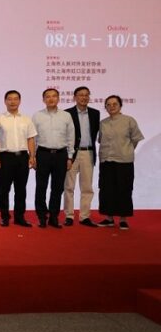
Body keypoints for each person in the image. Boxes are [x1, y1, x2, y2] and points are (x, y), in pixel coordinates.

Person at [0, 90, 37, 228]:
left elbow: (30, 138)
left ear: (20, 101)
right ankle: (4, 217)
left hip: (22, 157)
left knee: (21, 189)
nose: (13, 101)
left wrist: (32, 156)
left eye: (15, 99)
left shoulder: (26, 119)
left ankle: (19, 217)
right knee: (4, 189)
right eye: (9, 99)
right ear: (5, 101)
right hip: (5, 157)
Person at [97, 95, 144, 230]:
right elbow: (101, 140)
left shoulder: (129, 120)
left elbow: (135, 139)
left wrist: (126, 150)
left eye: (114, 104)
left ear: (120, 105)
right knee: (106, 189)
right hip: (106, 160)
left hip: (124, 161)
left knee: (124, 189)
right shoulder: (103, 123)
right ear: (105, 107)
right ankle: (109, 218)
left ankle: (123, 219)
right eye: (108, 105)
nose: (111, 107)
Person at [32, 88, 75, 228]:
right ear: (43, 99)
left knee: (57, 188)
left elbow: (70, 137)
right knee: (41, 187)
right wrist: (33, 156)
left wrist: (70, 157)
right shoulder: (37, 116)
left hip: (61, 155)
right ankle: (42, 217)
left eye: (54, 96)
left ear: (58, 98)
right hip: (42, 154)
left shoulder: (66, 116)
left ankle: (54, 216)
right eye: (48, 97)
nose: (51, 99)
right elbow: (33, 139)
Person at [63, 86, 100, 227]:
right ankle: (69, 216)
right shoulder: (67, 113)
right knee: (69, 186)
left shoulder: (95, 113)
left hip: (88, 153)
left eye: (86, 95)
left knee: (87, 187)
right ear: (74, 97)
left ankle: (85, 216)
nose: (84, 97)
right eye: (80, 95)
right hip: (71, 153)